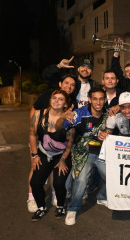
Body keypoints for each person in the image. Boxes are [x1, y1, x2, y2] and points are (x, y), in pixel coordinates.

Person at [55, 87, 108, 226]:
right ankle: (72, 209)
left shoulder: (109, 115)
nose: (98, 102)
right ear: (89, 100)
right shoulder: (79, 114)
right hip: (85, 153)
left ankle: (102, 197)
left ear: (105, 100)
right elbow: (59, 127)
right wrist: (61, 117)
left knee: (112, 177)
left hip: (102, 153)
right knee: (82, 180)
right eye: (95, 98)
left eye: (101, 99)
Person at [27, 74, 77, 213]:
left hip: (62, 154)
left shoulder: (69, 119)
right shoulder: (39, 114)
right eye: (54, 98)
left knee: (59, 183)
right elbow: (32, 134)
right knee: (35, 182)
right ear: (50, 100)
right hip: (44, 152)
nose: (56, 101)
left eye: (60, 99)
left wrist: (62, 161)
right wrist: (34, 155)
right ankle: (40, 205)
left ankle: (60, 206)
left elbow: (69, 144)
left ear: (66, 104)